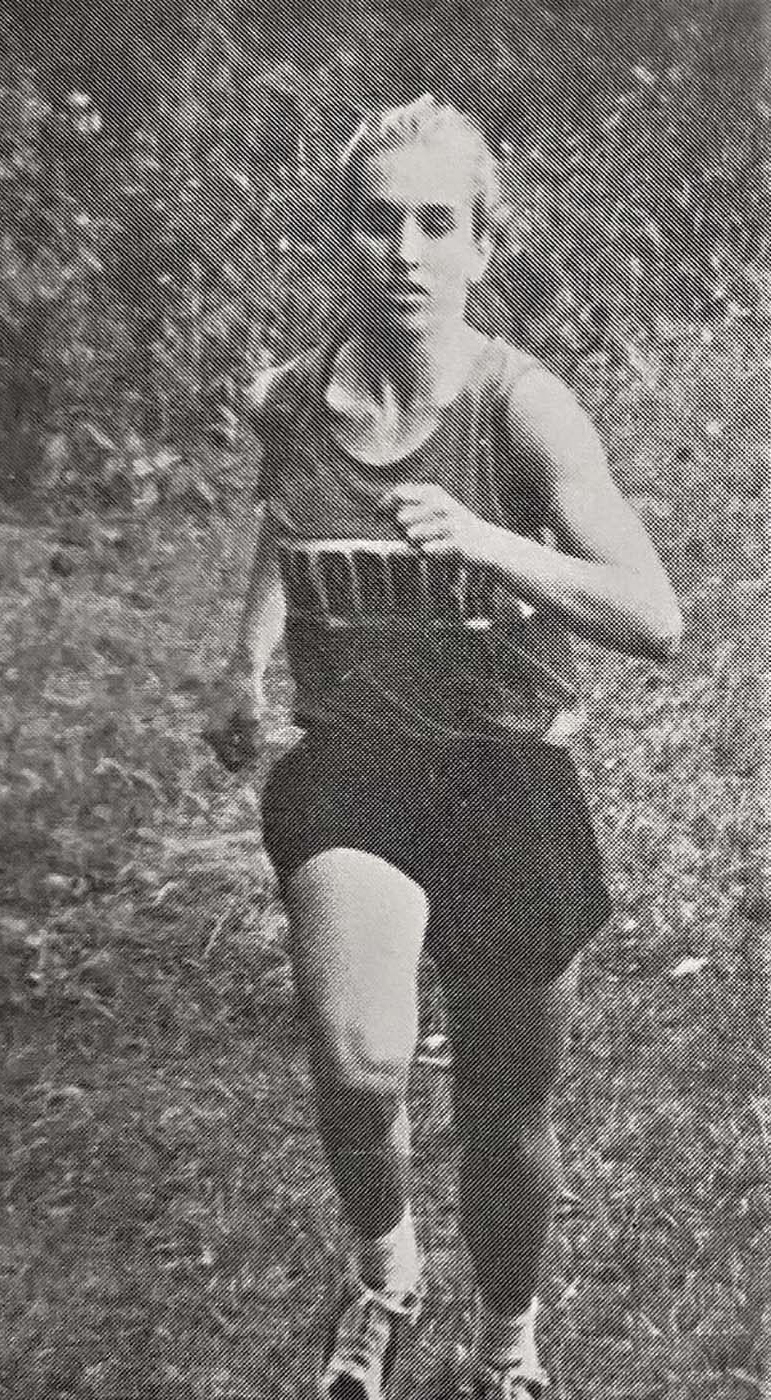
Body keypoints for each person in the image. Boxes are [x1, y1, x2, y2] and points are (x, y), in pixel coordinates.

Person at [202, 95, 682, 1400]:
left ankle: (508, 1350)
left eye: (435, 224)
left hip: (505, 771)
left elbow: (653, 615)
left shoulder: (524, 412)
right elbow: (283, 526)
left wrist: (485, 541)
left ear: (480, 244)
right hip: (353, 764)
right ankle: (384, 1274)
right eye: (378, 221)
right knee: (359, 1067)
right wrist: (248, 660)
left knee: (502, 1119)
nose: (404, 252)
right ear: (341, 239)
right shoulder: (293, 404)